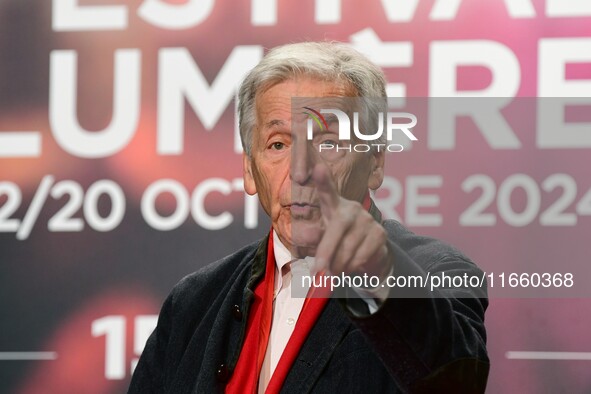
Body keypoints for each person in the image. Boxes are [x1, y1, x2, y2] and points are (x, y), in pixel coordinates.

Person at [128, 41, 489, 393]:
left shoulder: (437, 271)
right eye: (278, 145)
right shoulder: (193, 302)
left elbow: (456, 383)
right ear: (250, 171)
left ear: (375, 162)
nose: (301, 171)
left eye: (328, 143)